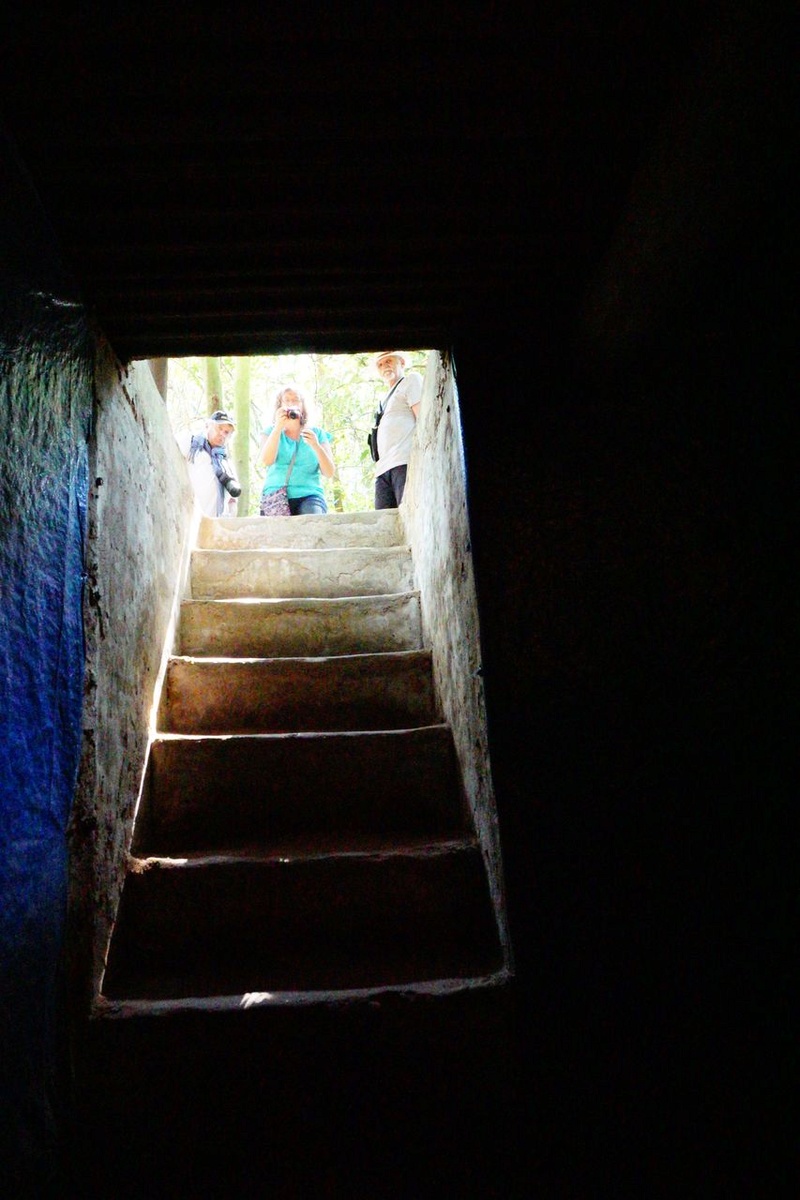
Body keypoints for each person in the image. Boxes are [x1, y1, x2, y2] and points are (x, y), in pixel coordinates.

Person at [258, 386, 335, 515]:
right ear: (279, 406)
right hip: (275, 495)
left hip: (309, 495)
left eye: (296, 400)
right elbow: (266, 460)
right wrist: (278, 428)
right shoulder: (269, 432)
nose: (291, 403)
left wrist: (315, 445)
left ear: (303, 406)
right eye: (286, 400)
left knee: (313, 525)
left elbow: (329, 472)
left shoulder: (317, 434)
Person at [370, 351, 422, 509]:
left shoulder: (411, 381)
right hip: (382, 468)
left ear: (402, 362)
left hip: (404, 461)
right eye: (380, 364)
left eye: (389, 361)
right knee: (384, 523)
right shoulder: (382, 400)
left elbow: (423, 419)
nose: (385, 366)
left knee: (409, 514)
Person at [180, 408, 241, 518]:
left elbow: (233, 501)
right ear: (208, 426)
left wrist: (230, 517)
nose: (222, 434)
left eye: (227, 432)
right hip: (188, 517)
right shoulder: (192, 444)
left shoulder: (227, 464)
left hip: (215, 524)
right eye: (219, 428)